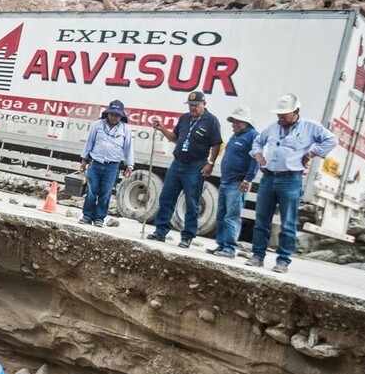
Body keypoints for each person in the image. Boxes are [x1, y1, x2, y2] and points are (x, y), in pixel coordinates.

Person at [246, 93, 337, 273]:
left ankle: (283, 260)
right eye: (278, 113)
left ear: (295, 112)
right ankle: (257, 256)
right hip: (268, 177)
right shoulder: (272, 128)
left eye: (284, 113)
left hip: (290, 179)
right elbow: (258, 142)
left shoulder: (310, 127)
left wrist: (311, 154)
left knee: (287, 222)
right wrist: (258, 155)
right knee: (262, 220)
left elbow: (332, 140)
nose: (280, 116)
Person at [148, 91, 222, 248]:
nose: (193, 108)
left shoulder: (211, 121)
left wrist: (210, 163)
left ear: (204, 104)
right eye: (190, 105)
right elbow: (175, 138)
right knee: (166, 197)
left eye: (196, 105)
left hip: (195, 166)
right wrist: (162, 128)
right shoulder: (184, 118)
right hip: (177, 164)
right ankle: (160, 231)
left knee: (192, 203)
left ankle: (187, 236)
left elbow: (216, 144)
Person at [207, 105, 259, 258]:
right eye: (233, 121)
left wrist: (248, 179)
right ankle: (221, 244)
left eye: (237, 121)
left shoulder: (253, 136)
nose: (233, 124)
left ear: (246, 122)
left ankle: (229, 248)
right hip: (226, 181)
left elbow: (255, 160)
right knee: (221, 215)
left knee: (232, 216)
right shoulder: (236, 135)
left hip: (237, 182)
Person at [78, 99, 134, 228]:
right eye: (112, 114)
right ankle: (87, 216)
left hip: (112, 166)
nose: (114, 117)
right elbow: (89, 143)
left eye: (117, 115)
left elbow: (128, 148)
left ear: (121, 116)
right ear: (108, 114)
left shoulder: (125, 129)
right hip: (95, 163)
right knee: (91, 191)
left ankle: (99, 218)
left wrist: (129, 165)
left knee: (105, 193)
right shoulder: (98, 125)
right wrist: (84, 161)